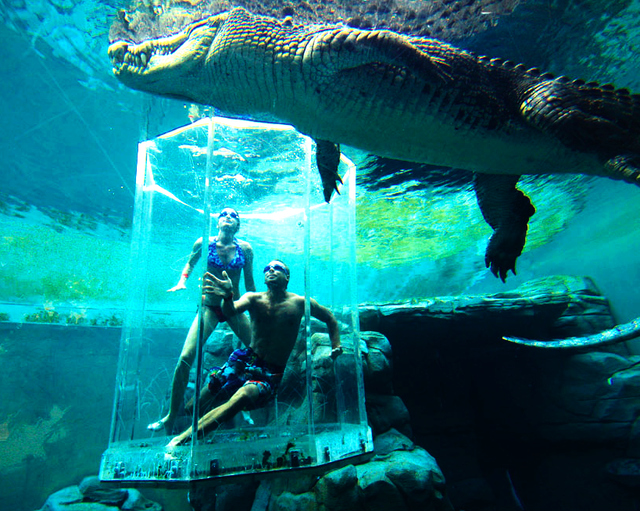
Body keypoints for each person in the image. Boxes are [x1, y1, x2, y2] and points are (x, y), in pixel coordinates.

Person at [167, 259, 343, 447]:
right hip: (243, 360)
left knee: (242, 397)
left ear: (287, 276)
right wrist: (227, 297)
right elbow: (229, 312)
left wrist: (336, 345)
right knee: (193, 407)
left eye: (278, 268)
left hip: (270, 372)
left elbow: (330, 318)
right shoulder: (253, 298)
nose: (271, 270)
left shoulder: (301, 303)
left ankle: (181, 440)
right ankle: (193, 432)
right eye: (267, 268)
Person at [148, 207, 256, 433]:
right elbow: (190, 263)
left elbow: (249, 283)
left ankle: (243, 405)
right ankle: (170, 416)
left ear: (238, 225)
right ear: (217, 222)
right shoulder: (203, 244)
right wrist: (182, 281)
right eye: (224, 214)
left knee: (257, 354)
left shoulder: (245, 249)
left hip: (234, 308)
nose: (228, 217)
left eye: (234, 216)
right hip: (209, 308)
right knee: (185, 358)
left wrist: (257, 311)